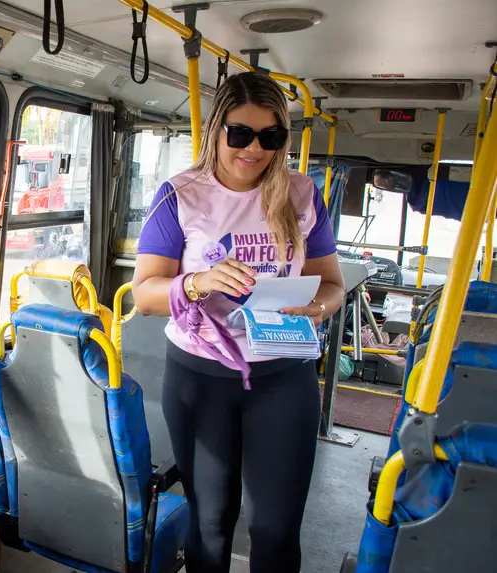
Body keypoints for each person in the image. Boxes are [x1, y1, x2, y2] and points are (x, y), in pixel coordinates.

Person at [132, 72, 344, 573]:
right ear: (217, 131)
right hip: (201, 375)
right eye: (241, 134)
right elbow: (144, 294)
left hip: (284, 375)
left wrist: (318, 308)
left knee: (276, 527)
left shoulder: (301, 194)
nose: (254, 149)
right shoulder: (180, 195)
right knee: (210, 522)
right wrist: (197, 282)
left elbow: (332, 285)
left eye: (270, 137)